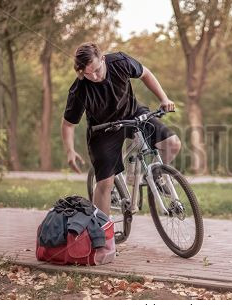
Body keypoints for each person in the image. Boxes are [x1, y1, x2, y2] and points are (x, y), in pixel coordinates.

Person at [61, 42, 181, 214]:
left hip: (132, 113)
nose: (94, 77)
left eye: (96, 70)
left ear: (102, 59)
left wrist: (164, 98)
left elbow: (145, 73)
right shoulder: (79, 89)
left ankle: (155, 175)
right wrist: (69, 150)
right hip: (103, 130)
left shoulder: (120, 62)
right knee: (105, 184)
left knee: (173, 144)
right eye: (88, 74)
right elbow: (68, 124)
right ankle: (102, 235)